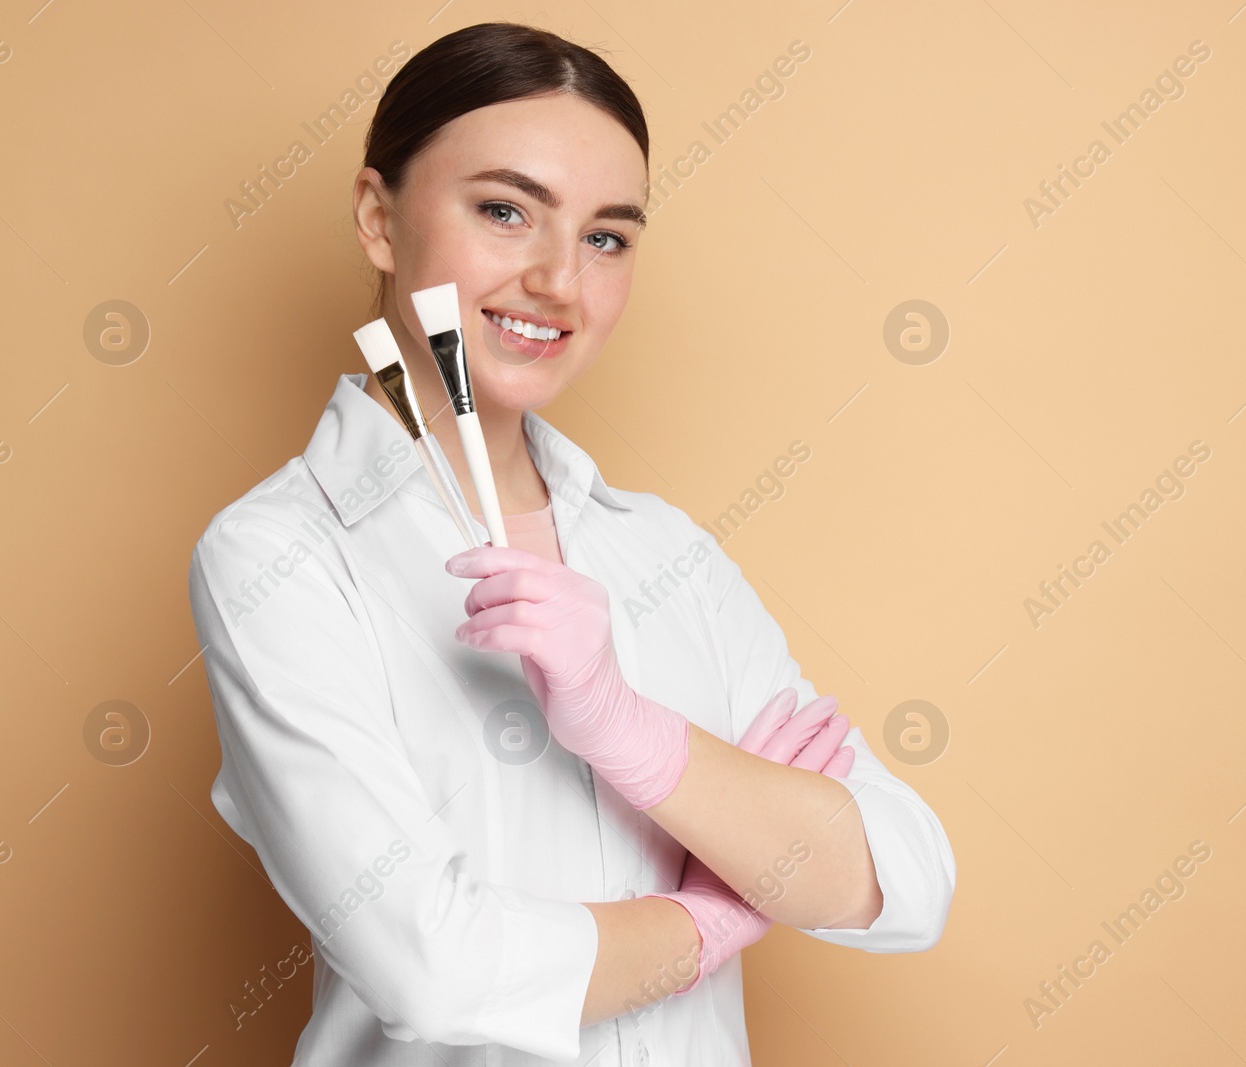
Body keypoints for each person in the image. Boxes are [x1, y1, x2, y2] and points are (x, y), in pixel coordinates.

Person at [187, 21, 955, 1066]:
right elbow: (435, 966)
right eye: (504, 211)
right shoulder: (280, 558)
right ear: (378, 217)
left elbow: (899, 874)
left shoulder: (664, 553)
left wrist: (631, 729)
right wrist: (713, 921)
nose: (558, 280)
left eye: (607, 236)